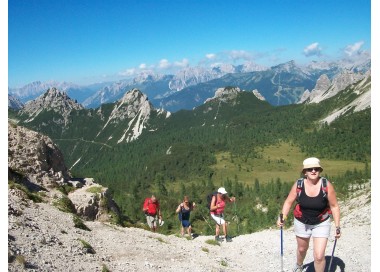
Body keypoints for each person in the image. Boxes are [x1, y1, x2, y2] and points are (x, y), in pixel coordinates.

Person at [277, 157, 341, 272]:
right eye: (310, 169)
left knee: (319, 256)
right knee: (302, 249)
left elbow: (334, 206)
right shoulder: (299, 184)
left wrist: (337, 226)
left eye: (316, 168)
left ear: (320, 170)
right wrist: (283, 216)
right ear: (305, 172)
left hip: (321, 222)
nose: (313, 171)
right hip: (302, 221)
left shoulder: (326, 185)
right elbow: (288, 201)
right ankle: (299, 264)